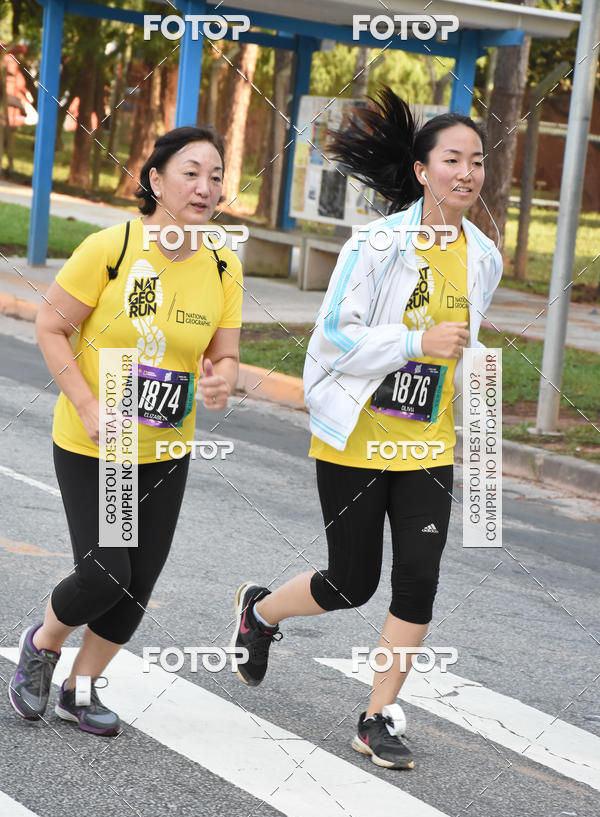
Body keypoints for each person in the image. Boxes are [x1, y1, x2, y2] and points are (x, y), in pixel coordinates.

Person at [231, 87, 502, 769]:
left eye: (477, 161)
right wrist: (415, 340)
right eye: (452, 160)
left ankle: (376, 716)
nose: (467, 173)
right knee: (352, 581)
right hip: (354, 437)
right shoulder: (377, 244)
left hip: (427, 445)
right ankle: (261, 612)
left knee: (419, 579)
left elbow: (462, 349)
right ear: (421, 170)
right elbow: (333, 336)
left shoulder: (483, 258)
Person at [9, 126, 242, 736]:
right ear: (155, 179)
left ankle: (80, 691)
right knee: (107, 570)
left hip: (166, 447)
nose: (206, 186)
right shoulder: (109, 248)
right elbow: (50, 327)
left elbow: (223, 357)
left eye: (216, 175)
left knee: (137, 583)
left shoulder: (222, 263)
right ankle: (42, 643)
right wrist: (86, 403)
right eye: (191, 172)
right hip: (99, 440)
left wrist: (221, 381)